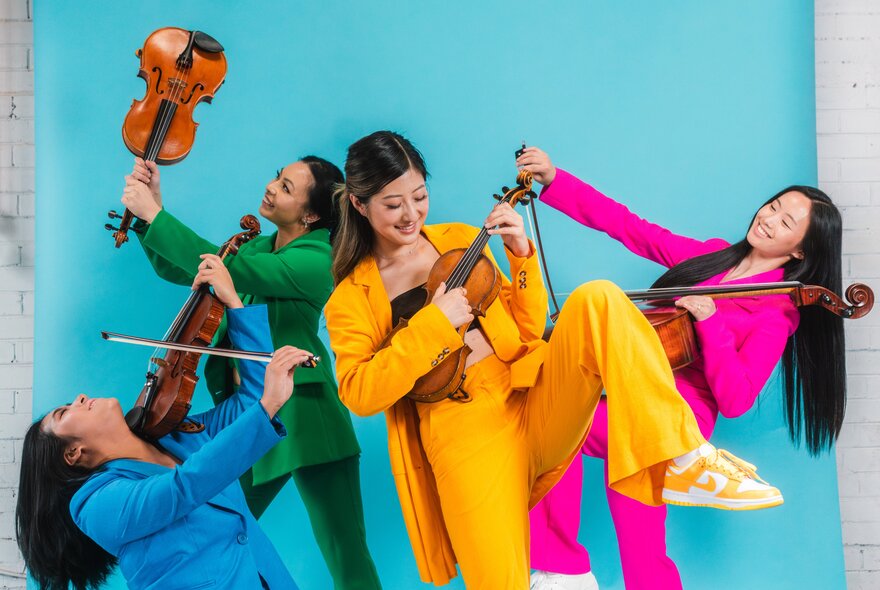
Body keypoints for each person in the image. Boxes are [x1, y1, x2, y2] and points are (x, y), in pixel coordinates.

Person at [324, 130, 783, 590]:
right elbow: (361, 393)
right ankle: (564, 565)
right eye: (392, 204)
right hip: (464, 433)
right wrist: (435, 324)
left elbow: (526, 328)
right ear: (360, 206)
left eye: (419, 196)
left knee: (599, 297)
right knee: (498, 581)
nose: (410, 214)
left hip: (530, 392)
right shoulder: (350, 298)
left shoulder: (460, 239)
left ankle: (683, 456)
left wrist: (522, 256)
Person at [518, 146, 845, 590]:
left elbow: (736, 400)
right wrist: (556, 179)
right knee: (641, 539)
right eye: (773, 206)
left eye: (786, 222)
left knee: (556, 421)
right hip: (628, 401)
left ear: (801, 250)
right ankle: (565, 569)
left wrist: (711, 325)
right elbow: (631, 228)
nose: (768, 219)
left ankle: (560, 568)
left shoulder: (777, 313)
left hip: (679, 417)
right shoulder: (710, 258)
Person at [121, 155, 381, 589]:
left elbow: (234, 271)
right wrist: (152, 217)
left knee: (344, 547)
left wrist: (156, 213)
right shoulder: (258, 246)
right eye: (277, 178)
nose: (271, 187)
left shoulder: (319, 260)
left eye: (286, 187)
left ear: (311, 214)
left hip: (309, 416)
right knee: (213, 521)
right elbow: (189, 265)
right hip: (253, 409)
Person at [16, 260, 307, 590]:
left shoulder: (179, 436)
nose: (80, 397)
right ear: (74, 453)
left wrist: (234, 304)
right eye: (65, 412)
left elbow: (252, 403)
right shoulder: (96, 505)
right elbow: (184, 487)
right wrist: (267, 404)